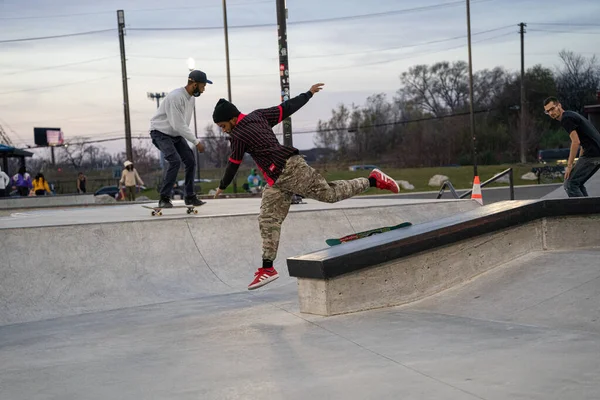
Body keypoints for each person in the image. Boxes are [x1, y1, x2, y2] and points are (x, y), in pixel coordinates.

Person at [212, 83, 400, 290]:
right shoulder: (258, 115)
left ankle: (373, 180)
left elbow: (234, 163)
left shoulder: (238, 134)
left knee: (330, 194)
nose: (223, 130)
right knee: (268, 218)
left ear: (231, 119)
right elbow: (286, 108)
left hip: (290, 170)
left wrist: (222, 186)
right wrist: (308, 94)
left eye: (223, 126)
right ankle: (267, 268)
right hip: (277, 181)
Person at [149, 69, 211, 209]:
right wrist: (196, 141)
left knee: (190, 160)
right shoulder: (175, 97)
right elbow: (178, 124)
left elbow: (182, 124)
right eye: (202, 86)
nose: (203, 90)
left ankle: (189, 196)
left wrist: (188, 138)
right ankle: (164, 198)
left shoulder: (191, 99)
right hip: (160, 132)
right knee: (174, 160)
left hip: (175, 135)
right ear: (194, 84)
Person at [544, 97, 600, 197]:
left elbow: (575, 142)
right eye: (548, 111)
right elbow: (583, 140)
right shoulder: (571, 114)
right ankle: (588, 210)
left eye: (552, 109)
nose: (551, 113)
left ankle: (582, 211)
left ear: (559, 106)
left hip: (593, 154)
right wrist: (579, 160)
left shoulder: (566, 118)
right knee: (577, 183)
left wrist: (569, 166)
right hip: (594, 153)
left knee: (570, 184)